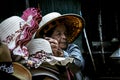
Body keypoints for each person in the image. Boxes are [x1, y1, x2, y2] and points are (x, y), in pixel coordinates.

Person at [35, 12, 85, 80]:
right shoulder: (41, 52)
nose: (64, 37)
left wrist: (62, 54)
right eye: (58, 34)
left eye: (65, 33)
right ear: (47, 38)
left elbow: (79, 64)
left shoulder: (72, 48)